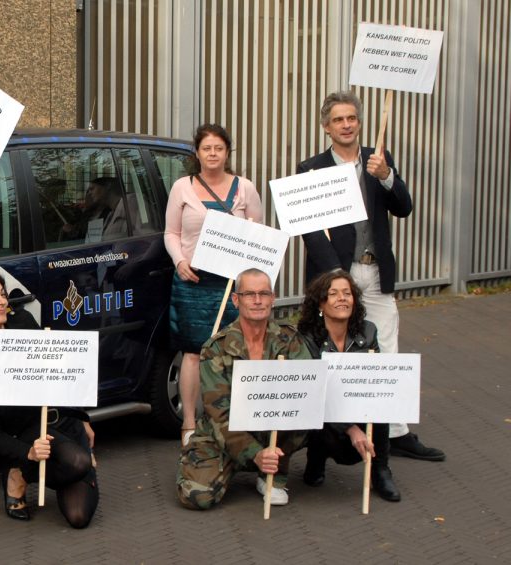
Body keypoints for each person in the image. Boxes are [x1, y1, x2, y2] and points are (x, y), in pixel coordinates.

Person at [297, 91, 445, 462]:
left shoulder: (379, 159)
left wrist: (388, 177)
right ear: (325, 127)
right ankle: (330, 433)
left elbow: (404, 207)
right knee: (330, 351)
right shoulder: (310, 169)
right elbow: (311, 230)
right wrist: (335, 277)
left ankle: (394, 432)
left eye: (352, 118)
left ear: (360, 122)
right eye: (338, 120)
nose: (346, 125)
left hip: (375, 270)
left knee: (386, 349)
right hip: (335, 274)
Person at [0, 269, 98, 528]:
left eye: (2, 294)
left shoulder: (23, 322)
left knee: (78, 516)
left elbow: (58, 373)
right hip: (31, 433)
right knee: (79, 462)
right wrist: (28, 452)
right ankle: (20, 470)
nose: (2, 301)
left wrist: (82, 418)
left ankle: (31, 471)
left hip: (64, 422)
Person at [176, 268, 310, 509]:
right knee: (197, 497)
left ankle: (272, 474)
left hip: (271, 429)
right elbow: (219, 415)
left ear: (273, 298)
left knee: (303, 418)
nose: (257, 301)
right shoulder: (216, 348)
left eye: (263, 294)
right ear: (236, 300)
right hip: (225, 434)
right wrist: (255, 453)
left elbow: (305, 399)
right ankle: (242, 461)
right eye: (249, 294)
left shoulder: (290, 341)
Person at [164, 124, 263, 445]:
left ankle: (233, 422)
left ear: (227, 152)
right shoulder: (182, 187)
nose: (212, 154)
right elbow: (171, 233)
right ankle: (190, 424)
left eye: (218, 148)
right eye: (207, 148)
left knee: (237, 352)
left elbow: (257, 235)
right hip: (192, 282)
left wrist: (249, 278)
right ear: (197, 153)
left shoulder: (245, 188)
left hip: (232, 287)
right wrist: (180, 261)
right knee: (192, 353)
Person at [297, 270, 401, 502]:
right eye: (333, 294)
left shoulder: (369, 330)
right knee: (316, 415)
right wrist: (352, 429)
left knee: (381, 403)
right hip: (321, 412)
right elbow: (314, 392)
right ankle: (317, 457)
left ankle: (380, 470)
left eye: (347, 293)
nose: (342, 298)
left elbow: (375, 377)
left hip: (357, 402)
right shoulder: (307, 337)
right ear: (321, 303)